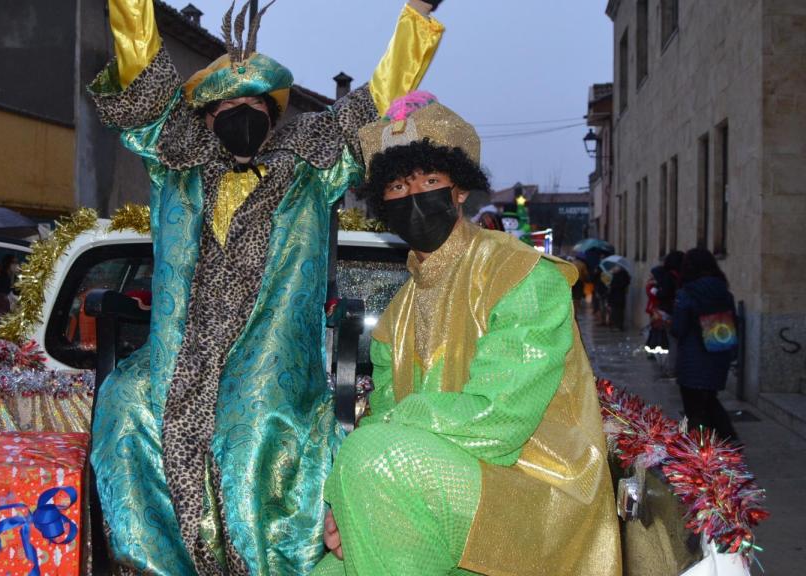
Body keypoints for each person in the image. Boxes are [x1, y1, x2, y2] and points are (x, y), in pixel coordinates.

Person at [87, 1, 446, 573]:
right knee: (125, 401)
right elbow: (143, 71)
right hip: (181, 353)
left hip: (271, 359)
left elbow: (378, 100)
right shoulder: (174, 159)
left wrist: (418, 15)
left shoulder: (312, 164)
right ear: (206, 117)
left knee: (255, 425)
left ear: (274, 115)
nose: (244, 114)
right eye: (230, 105)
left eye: (257, 105)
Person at [311, 94, 620, 576]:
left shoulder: (521, 275)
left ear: (459, 191)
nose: (413, 198)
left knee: (373, 457)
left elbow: (499, 419)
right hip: (437, 484)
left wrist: (373, 454)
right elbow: (383, 419)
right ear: (380, 202)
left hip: (534, 491)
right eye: (396, 185)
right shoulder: (398, 311)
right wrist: (344, 499)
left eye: (430, 181)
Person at [672, 248, 739, 442]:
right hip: (719, 355)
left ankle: (701, 450)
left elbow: (679, 328)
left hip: (693, 359)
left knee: (694, 407)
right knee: (709, 399)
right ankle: (728, 440)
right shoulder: (724, 292)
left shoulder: (687, 293)